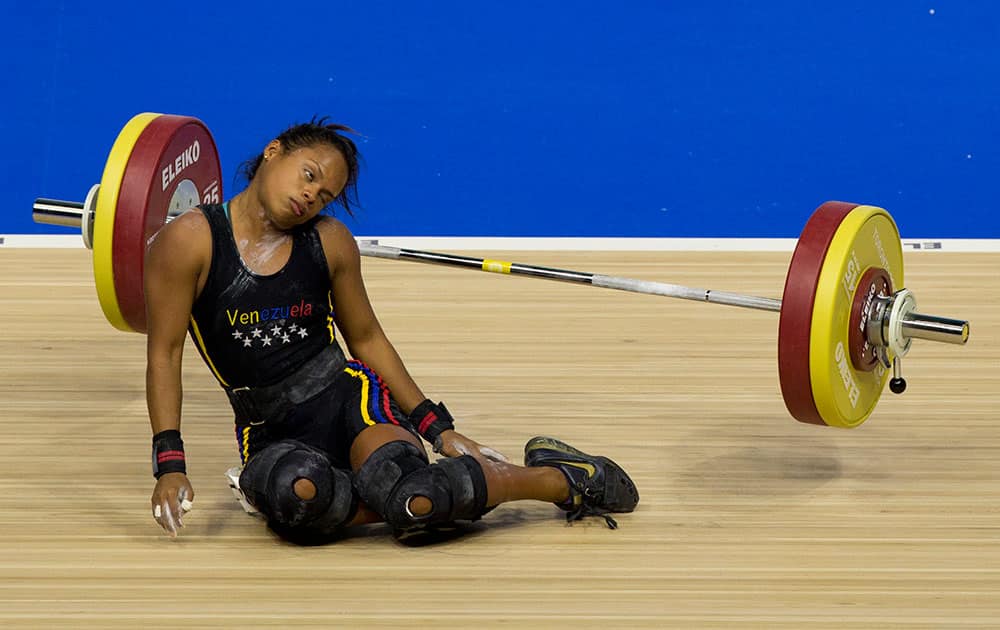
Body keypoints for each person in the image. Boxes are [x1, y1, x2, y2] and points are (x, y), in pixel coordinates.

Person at [143, 118, 639, 543]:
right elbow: (164, 355)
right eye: (308, 174)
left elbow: (367, 339)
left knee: (415, 503)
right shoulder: (190, 241)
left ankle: (559, 478)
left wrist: (436, 428)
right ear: (274, 152)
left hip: (348, 402)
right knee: (300, 495)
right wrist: (170, 465)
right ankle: (330, 493)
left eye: (324, 194)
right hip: (269, 428)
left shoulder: (331, 243)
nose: (310, 196)